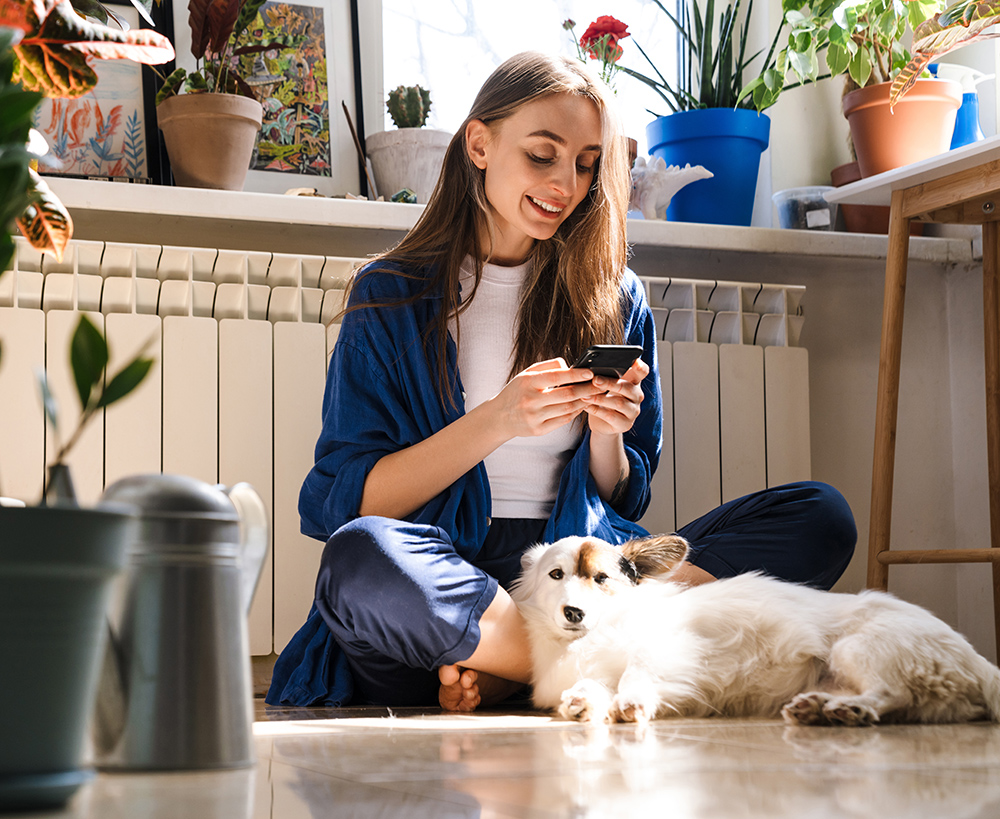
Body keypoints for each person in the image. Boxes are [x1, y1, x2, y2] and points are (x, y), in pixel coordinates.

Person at [266, 51, 856, 713]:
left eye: (586, 162)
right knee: (358, 559)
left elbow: (622, 488)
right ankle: (556, 659)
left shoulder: (612, 294)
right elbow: (347, 500)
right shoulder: (390, 296)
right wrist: (498, 419)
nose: (566, 184)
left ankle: (512, 667)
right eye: (543, 155)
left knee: (820, 516)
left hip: (580, 571)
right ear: (480, 144)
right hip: (452, 580)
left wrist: (607, 434)